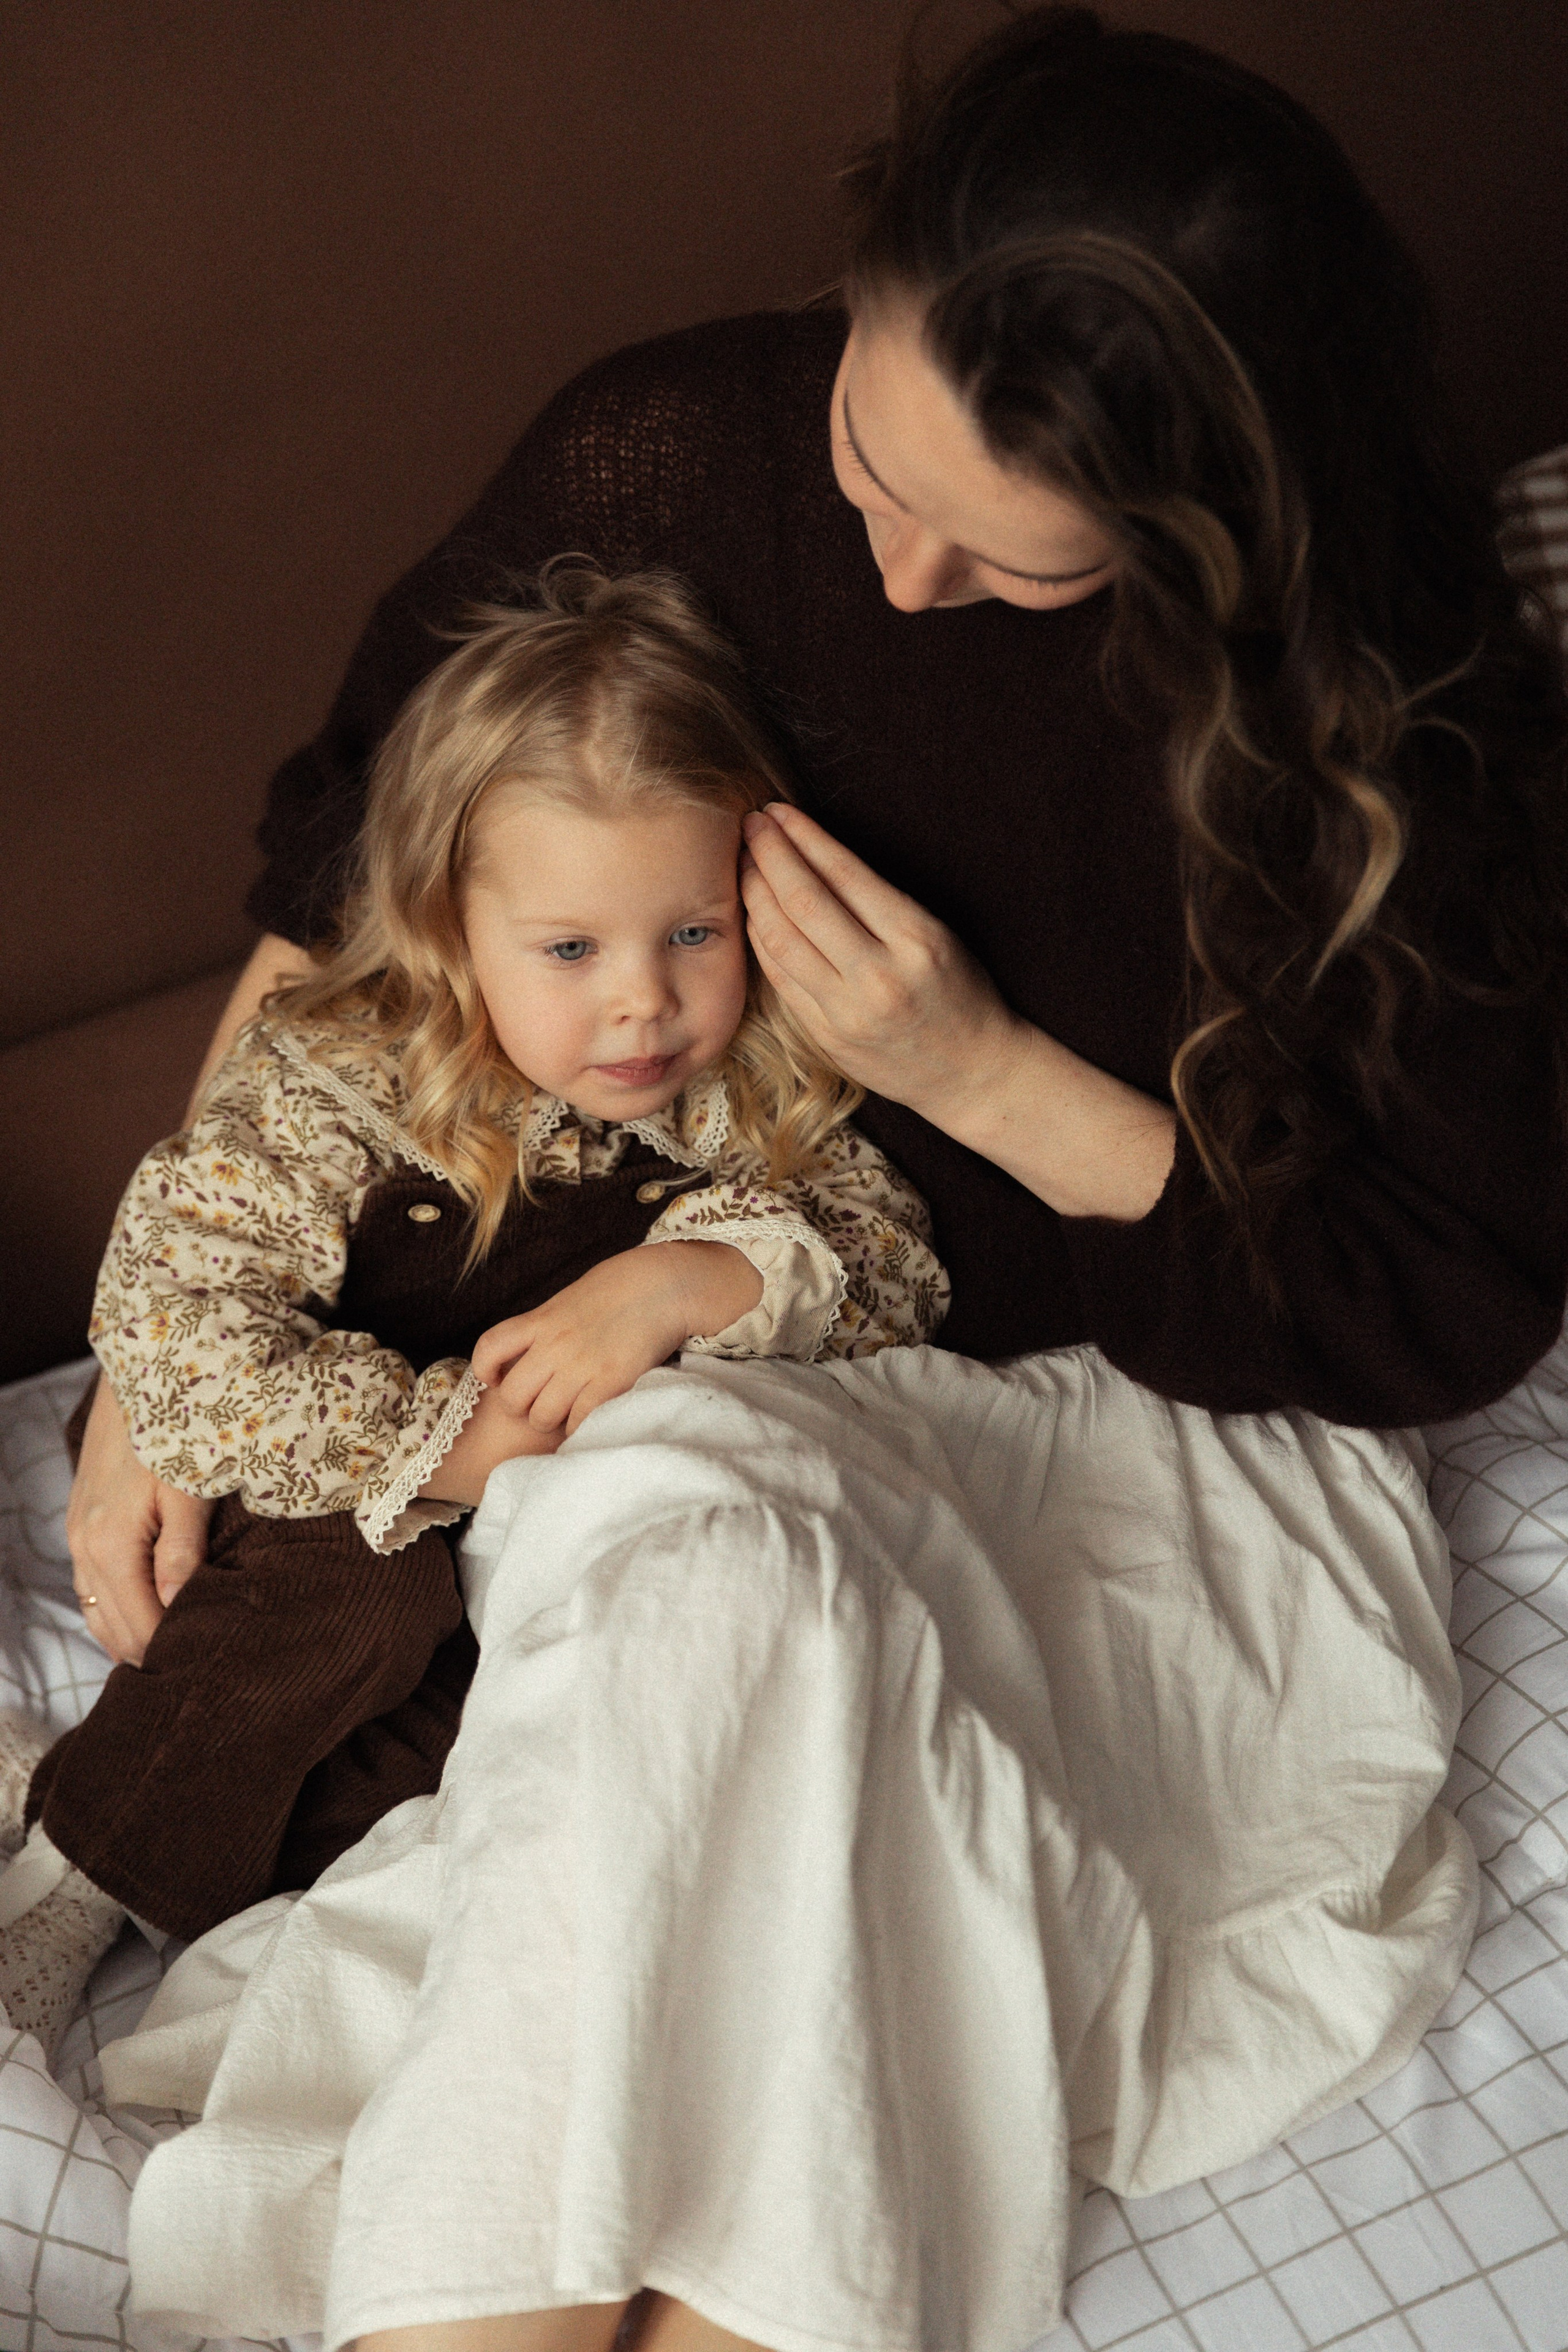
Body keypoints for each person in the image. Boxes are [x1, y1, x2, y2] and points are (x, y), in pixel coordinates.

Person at [84, 7, 1568, 2350]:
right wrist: (145, 1359)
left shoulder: (1405, 718)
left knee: (842, 1897)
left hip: (1178, 1446)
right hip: (759, 1362)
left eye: (1008, 565)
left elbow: (1444, 1302)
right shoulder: (677, 447)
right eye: (880, 464)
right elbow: (355, 841)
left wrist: (978, 1073)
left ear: (1217, 538)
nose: (887, 579)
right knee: (684, 1562)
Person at [0, 565, 947, 2058]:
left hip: (500, 1535)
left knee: (483, 1732)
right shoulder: (338, 1071)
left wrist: (689, 1277)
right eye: (570, 952)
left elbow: (892, 1263)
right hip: (287, 1458)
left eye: (691, 933)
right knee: (359, 1602)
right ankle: (76, 1872)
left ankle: (92, 1787)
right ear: (450, 924)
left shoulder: (744, 1073)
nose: (641, 1005)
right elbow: (182, 1325)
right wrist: (457, 1450)